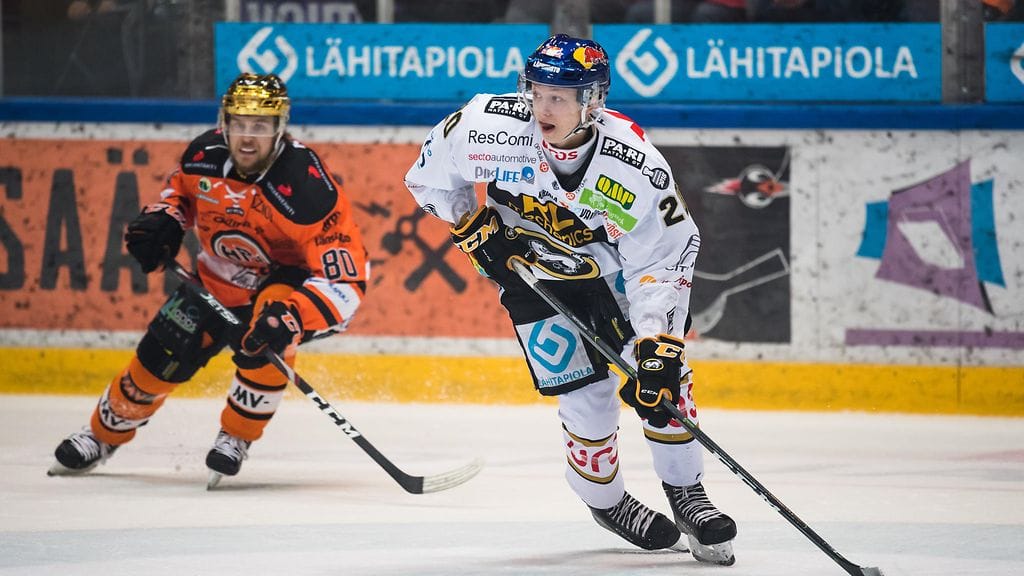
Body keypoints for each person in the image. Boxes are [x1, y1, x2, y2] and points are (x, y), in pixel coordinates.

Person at [404, 34, 736, 564]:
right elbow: (429, 175)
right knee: (587, 400)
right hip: (531, 280)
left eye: (558, 97)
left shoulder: (635, 165)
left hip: (612, 280)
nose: (542, 108)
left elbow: (661, 259)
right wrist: (471, 225)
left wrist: (656, 341)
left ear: (593, 100)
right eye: (536, 92)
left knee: (663, 382)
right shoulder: (487, 125)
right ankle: (607, 503)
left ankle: (687, 494)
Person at [48, 72, 370, 488]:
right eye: (239, 124)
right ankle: (102, 435)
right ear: (224, 122)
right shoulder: (203, 156)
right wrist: (166, 220)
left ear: (280, 127)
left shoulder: (307, 188)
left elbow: (345, 280)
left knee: (268, 336)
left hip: (286, 283)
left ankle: (236, 436)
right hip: (216, 279)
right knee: (158, 358)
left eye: (260, 126)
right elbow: (179, 194)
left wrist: (293, 318)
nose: (247, 138)